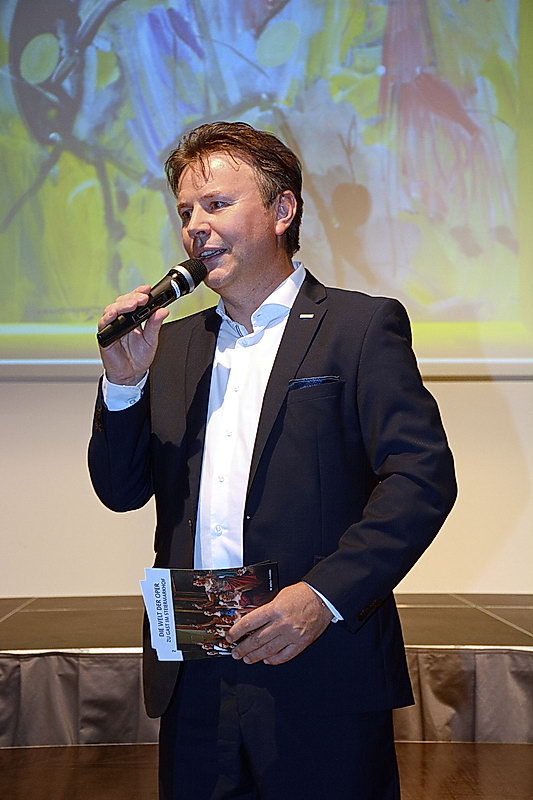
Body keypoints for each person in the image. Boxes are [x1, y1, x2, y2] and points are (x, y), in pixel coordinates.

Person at [88, 121, 457, 799]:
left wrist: (321, 598)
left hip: (320, 663)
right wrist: (124, 385)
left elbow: (420, 479)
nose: (195, 227)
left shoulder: (358, 327)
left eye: (217, 204)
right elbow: (120, 490)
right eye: (185, 212)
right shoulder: (171, 346)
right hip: (196, 675)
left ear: (282, 210)